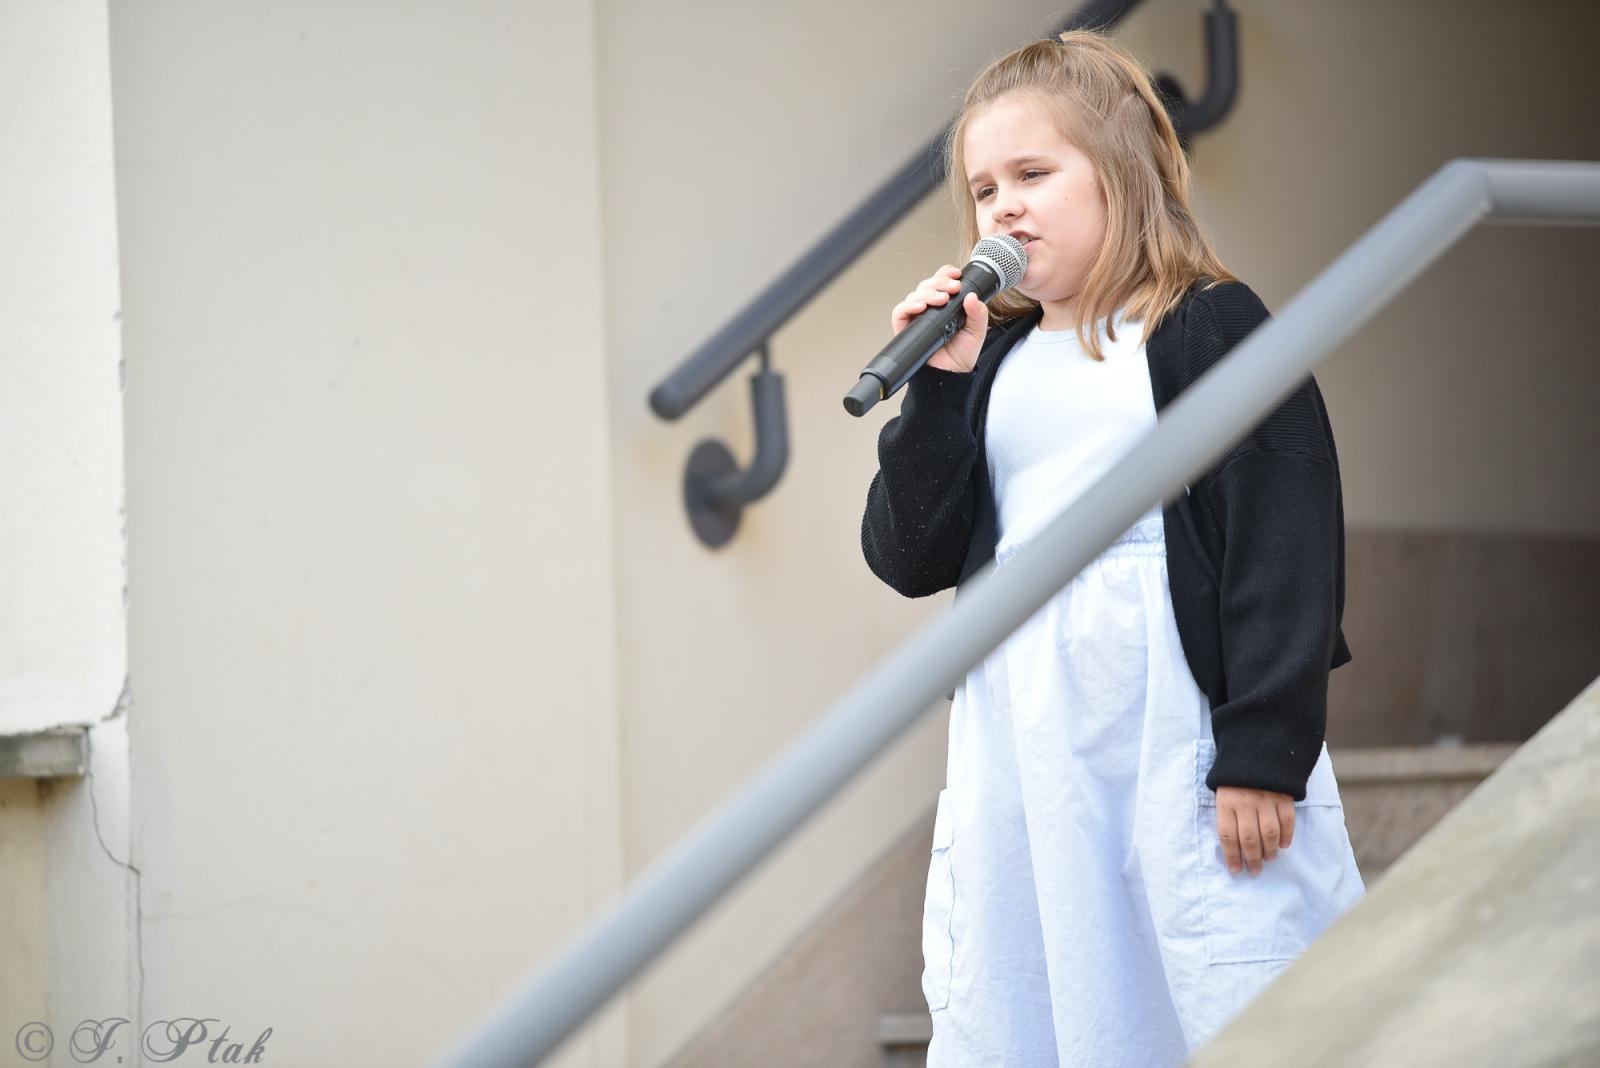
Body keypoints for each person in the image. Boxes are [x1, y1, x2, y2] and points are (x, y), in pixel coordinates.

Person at [859, 29, 1366, 1067]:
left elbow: (1284, 538)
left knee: (1212, 975)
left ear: (1123, 174)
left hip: (1163, 724)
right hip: (1028, 735)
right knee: (1044, 990)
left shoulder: (1205, 329)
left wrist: (1263, 749)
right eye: (983, 186)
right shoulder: (990, 357)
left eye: (1033, 173)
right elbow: (910, 555)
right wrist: (938, 389)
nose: (1001, 206)